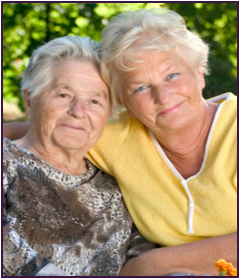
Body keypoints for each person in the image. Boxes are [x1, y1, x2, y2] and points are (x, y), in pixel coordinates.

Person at [3, 9, 237, 276]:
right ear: (127, 105)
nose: (162, 95)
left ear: (199, 75)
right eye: (140, 87)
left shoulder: (233, 130)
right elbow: (51, 126)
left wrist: (147, 265)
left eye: (172, 75)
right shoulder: (113, 137)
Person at [2, 35, 155, 276]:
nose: (78, 111)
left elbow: (143, 255)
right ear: (30, 102)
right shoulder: (6, 161)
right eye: (64, 95)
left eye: (95, 100)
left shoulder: (116, 186)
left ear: (109, 116)